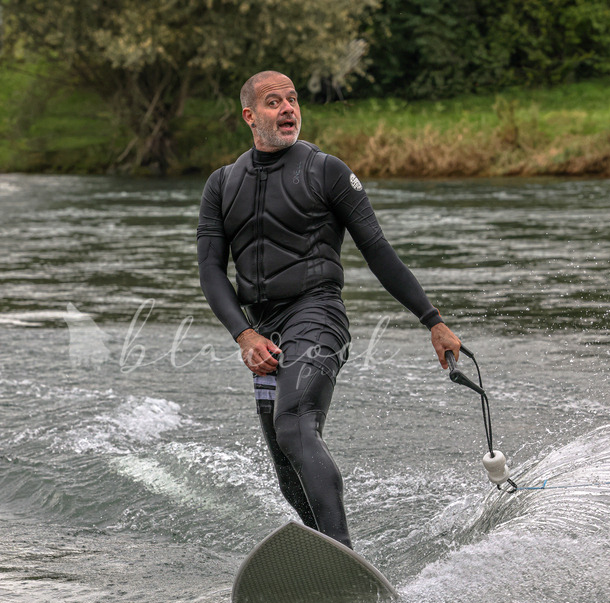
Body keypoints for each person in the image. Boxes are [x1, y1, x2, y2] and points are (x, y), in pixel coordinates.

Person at [197, 70, 461, 549]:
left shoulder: (326, 171)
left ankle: (342, 554)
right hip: (262, 330)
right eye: (274, 102)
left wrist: (433, 320)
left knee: (295, 426)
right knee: (285, 465)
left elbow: (378, 249)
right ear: (250, 116)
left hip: (318, 313)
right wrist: (244, 334)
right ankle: (329, 564)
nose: (288, 109)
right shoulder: (221, 185)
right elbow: (211, 271)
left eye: (293, 99)